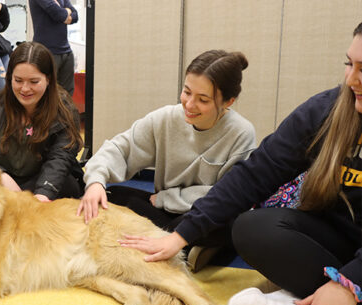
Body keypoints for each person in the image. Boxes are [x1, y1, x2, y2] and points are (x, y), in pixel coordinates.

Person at [118, 23, 362, 305]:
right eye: (348, 64)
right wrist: (182, 234)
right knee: (250, 227)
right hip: (339, 239)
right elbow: (256, 173)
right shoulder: (327, 109)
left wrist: (349, 284)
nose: (351, 79)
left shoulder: (239, 130)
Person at [77, 49, 256, 271]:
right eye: (186, 92)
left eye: (203, 100)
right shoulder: (166, 118)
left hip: (206, 215)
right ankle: (183, 247)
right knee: (109, 196)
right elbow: (120, 148)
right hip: (166, 212)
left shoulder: (241, 133)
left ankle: (170, 242)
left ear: (228, 101)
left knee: (237, 225)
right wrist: (96, 181)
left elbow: (227, 196)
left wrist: (167, 198)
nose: (189, 105)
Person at [0, 41, 83, 202]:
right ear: (9, 77)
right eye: (18, 80)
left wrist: (42, 195)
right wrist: (0, 174)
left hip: (43, 181)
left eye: (33, 82)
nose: (25, 89)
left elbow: (60, 158)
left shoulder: (64, 109)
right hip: (0, 179)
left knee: (68, 185)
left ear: (48, 79)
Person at [28, 0, 78, 95]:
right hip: (46, 52)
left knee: (67, 96)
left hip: (66, 51)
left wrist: (64, 13)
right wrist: (67, 11)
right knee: (47, 94)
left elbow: (76, 15)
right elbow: (59, 15)